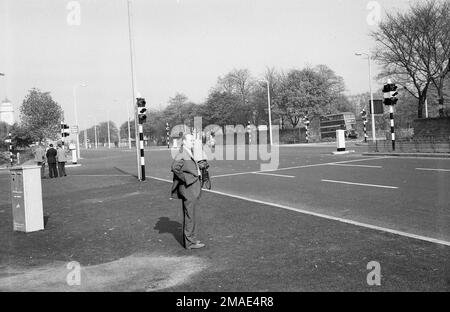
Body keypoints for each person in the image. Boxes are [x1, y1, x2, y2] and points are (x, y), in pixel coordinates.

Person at [171, 134, 205, 250]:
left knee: (190, 214)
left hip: (192, 186)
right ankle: (190, 242)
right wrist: (186, 178)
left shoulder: (186, 151)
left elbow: (187, 166)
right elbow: (175, 167)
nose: (193, 142)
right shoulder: (182, 152)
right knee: (190, 215)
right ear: (184, 141)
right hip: (188, 187)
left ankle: (192, 239)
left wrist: (199, 167)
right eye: (191, 140)